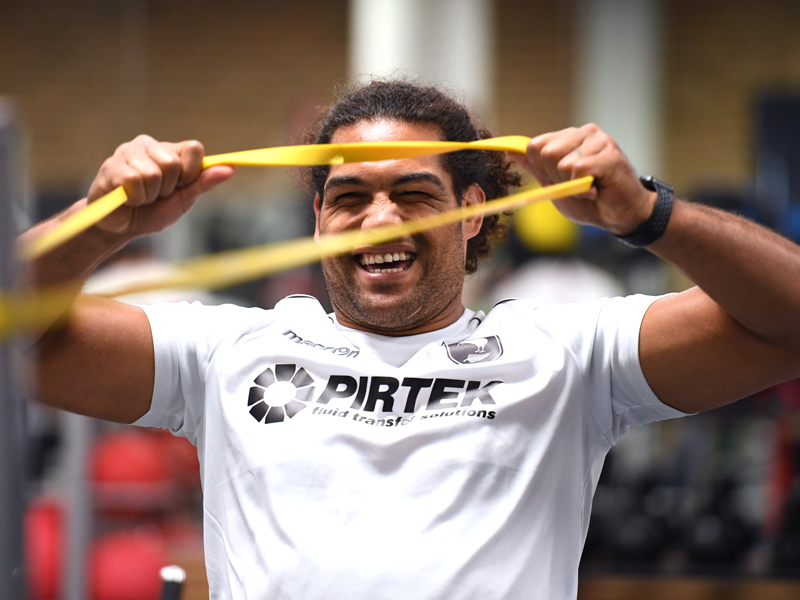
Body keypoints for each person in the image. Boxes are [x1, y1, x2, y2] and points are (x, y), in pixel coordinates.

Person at [20, 80, 800, 599]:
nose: (381, 220)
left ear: (473, 214)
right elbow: (15, 338)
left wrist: (651, 215)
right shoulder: (227, 351)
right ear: (319, 221)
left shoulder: (568, 352)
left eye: (414, 194)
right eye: (350, 197)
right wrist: (100, 224)